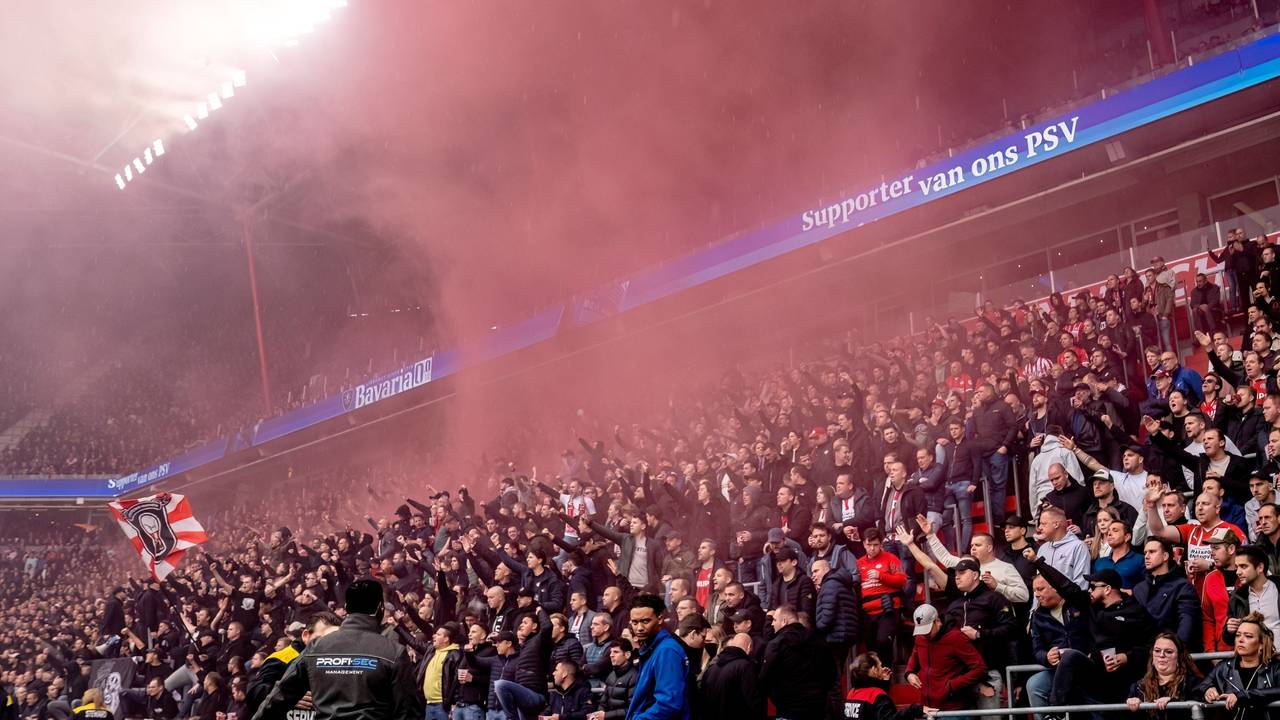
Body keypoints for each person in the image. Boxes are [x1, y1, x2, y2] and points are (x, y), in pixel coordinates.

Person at [253, 578, 420, 720]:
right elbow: (409, 712)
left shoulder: (317, 647)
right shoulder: (393, 652)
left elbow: (279, 697)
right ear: (380, 608)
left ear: (346, 608)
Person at [903, 603, 987, 711]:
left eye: (927, 630)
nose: (924, 634)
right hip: (928, 708)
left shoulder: (956, 638)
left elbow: (980, 668)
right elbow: (915, 655)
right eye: (921, 630)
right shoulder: (920, 638)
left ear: (937, 621)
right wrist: (909, 673)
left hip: (954, 708)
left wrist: (951, 686)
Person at [1197, 612, 1280, 720]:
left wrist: (1243, 696)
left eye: (1248, 636)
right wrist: (1207, 690)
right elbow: (1200, 686)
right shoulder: (1223, 668)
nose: (1240, 640)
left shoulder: (1275, 667)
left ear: (1262, 644)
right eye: (1238, 635)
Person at [759, 604, 835, 720]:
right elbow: (831, 673)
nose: (772, 623)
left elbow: (765, 678)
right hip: (817, 708)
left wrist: (779, 700)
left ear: (784, 621)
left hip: (788, 710)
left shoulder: (776, 644)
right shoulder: (819, 640)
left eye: (774, 620)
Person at [624, 594, 690, 720]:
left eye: (645, 621)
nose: (639, 628)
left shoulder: (667, 651)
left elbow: (669, 703)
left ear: (659, 619)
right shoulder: (652, 648)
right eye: (634, 622)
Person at [1132, 538, 1202, 649]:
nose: (1146, 556)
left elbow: (1187, 623)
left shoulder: (1182, 586)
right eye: (1145, 552)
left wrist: (1176, 649)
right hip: (1143, 655)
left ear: (1165, 556)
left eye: (1152, 552)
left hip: (1172, 652)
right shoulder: (1139, 589)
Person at [1125, 631, 1203, 717]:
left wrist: (1174, 703)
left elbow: (1204, 711)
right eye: (1157, 651)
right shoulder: (1138, 687)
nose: (1161, 655)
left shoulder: (1193, 683)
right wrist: (1133, 707)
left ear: (1179, 658)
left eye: (1168, 652)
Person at [845, 652, 931, 720]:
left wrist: (884, 682)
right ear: (874, 669)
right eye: (880, 665)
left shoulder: (851, 694)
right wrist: (914, 710)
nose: (882, 668)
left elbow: (873, 711)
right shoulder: (876, 696)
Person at [698, 633, 764, 720]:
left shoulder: (712, 668)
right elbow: (753, 701)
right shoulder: (746, 666)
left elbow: (702, 699)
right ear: (749, 647)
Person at [419, 622, 463, 720]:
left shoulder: (455, 655)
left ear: (446, 639)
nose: (434, 636)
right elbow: (414, 642)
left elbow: (456, 682)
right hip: (428, 704)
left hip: (443, 706)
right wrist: (397, 626)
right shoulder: (431, 651)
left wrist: (454, 703)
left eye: (438, 634)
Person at [591, 640, 638, 720]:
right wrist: (597, 715)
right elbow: (603, 703)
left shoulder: (634, 676)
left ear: (627, 655)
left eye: (616, 652)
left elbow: (632, 709)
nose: (611, 655)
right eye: (611, 652)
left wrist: (606, 716)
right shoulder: (612, 674)